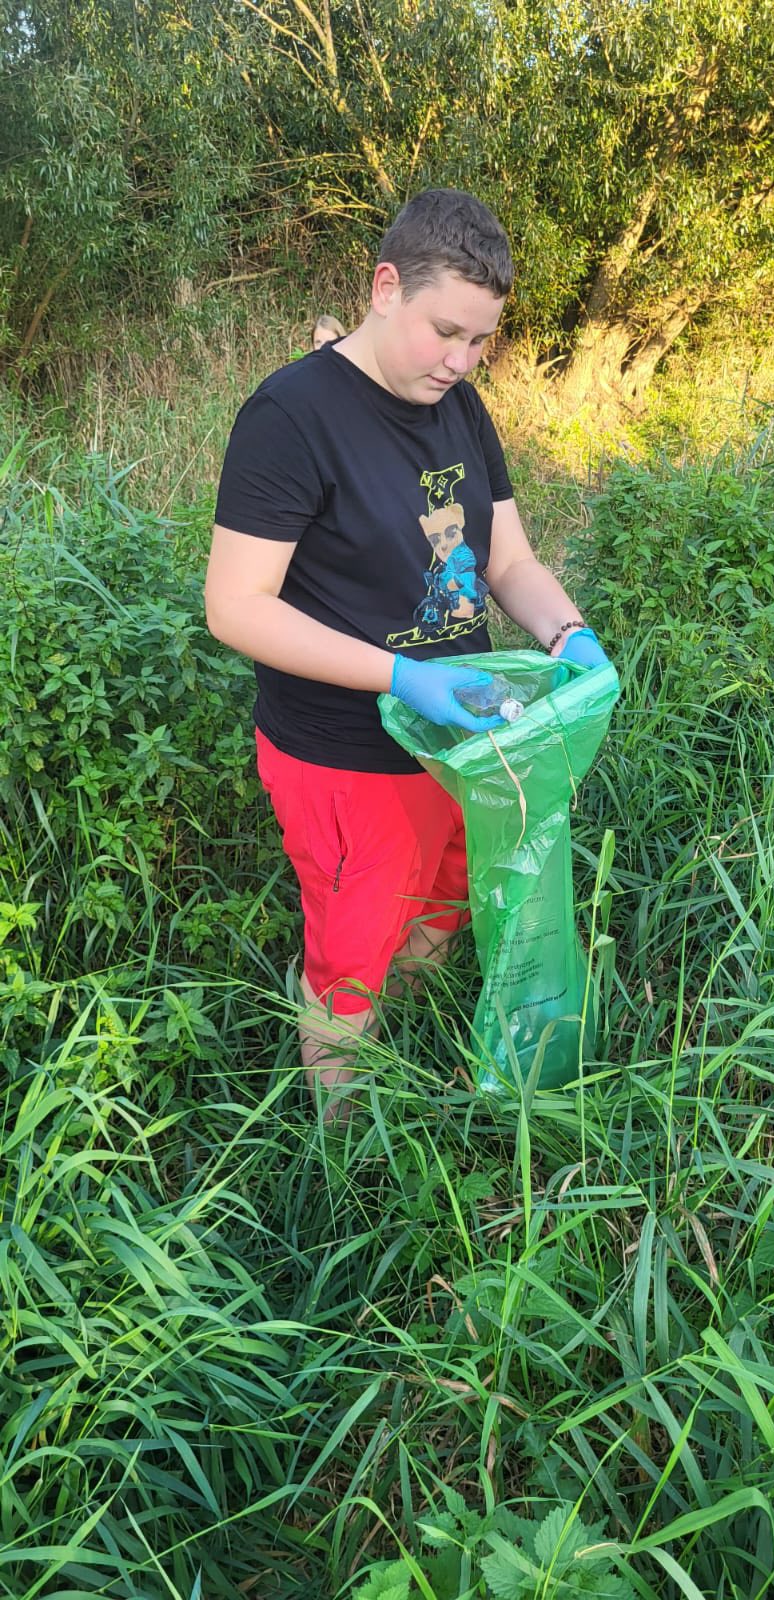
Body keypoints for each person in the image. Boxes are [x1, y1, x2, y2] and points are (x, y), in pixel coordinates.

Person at [205, 189, 611, 1117]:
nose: (461, 361)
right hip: (345, 754)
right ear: (386, 287)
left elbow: (507, 560)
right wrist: (402, 676)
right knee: (351, 961)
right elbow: (234, 606)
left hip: (464, 736)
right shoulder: (291, 417)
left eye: (481, 342)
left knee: (444, 906)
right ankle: (344, 1148)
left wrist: (568, 634)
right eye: (446, 333)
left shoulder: (460, 406)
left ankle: (406, 1059)